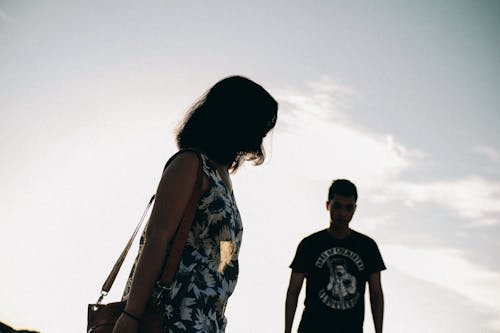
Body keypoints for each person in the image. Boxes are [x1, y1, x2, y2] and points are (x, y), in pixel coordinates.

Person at [112, 75, 278, 333]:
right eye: (258, 123)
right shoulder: (190, 163)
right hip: (168, 316)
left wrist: (221, 280)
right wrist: (131, 315)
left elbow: (225, 251)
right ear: (236, 118)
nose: (261, 134)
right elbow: (157, 238)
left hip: (206, 318)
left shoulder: (222, 175)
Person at [285, 179, 385, 333]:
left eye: (348, 207)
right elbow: (293, 290)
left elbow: (376, 294)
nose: (342, 213)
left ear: (354, 209)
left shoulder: (367, 247)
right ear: (327, 205)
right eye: (337, 206)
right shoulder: (310, 244)